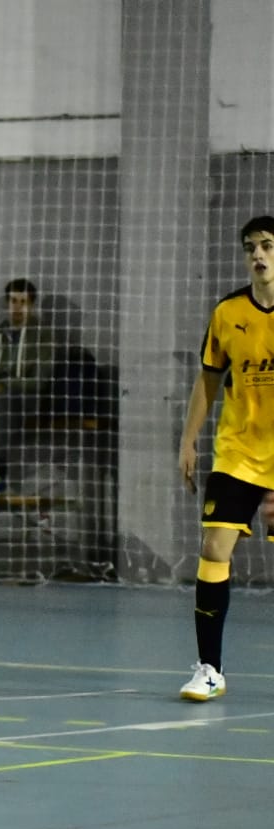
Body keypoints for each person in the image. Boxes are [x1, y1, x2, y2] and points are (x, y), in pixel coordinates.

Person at [175, 215, 274, 702]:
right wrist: (188, 440)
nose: (259, 255)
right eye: (251, 248)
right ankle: (210, 668)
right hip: (238, 454)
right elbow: (210, 379)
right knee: (214, 551)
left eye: (269, 246)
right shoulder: (228, 312)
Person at [0, 278, 63, 492]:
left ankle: (0, 473)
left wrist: (3, 387)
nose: (18, 307)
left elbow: (39, 381)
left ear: (31, 305)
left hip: (29, 397)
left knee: (5, 400)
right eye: (13, 301)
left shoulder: (44, 337)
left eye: (23, 301)